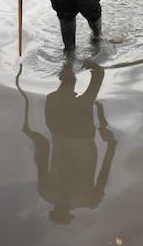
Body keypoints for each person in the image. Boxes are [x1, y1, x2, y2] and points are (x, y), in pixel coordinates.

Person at [19, 61, 117, 225]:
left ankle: (81, 57)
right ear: (53, 210)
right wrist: (31, 133)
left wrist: (111, 145)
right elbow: (43, 146)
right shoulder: (46, 191)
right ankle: (70, 57)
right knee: (68, 80)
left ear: (69, 213)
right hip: (58, 125)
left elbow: (105, 170)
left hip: (82, 131)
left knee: (98, 72)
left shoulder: (89, 200)